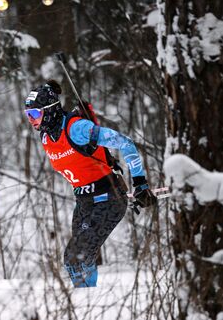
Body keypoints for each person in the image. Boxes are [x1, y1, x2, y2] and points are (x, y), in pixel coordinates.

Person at [24, 80, 157, 288]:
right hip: (84, 202)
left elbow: (125, 143)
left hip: (109, 198)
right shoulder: (46, 136)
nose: (31, 120)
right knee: (75, 261)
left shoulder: (77, 128)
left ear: (50, 111)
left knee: (77, 255)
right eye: (28, 115)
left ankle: (86, 300)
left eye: (35, 114)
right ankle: (84, 299)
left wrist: (140, 184)